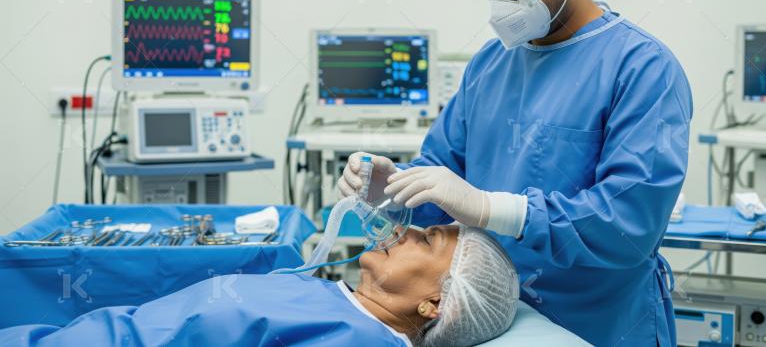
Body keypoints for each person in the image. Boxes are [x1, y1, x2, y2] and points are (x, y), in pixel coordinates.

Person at [338, 0, 692, 345]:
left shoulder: (642, 68)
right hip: (490, 325)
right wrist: (389, 189)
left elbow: (628, 225)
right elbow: (440, 178)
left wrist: (493, 209)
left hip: (601, 322)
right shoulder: (490, 65)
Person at [0, 225, 519, 347]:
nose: (402, 231)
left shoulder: (355, 340)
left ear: (432, 304)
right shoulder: (335, 301)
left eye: (424, 241)